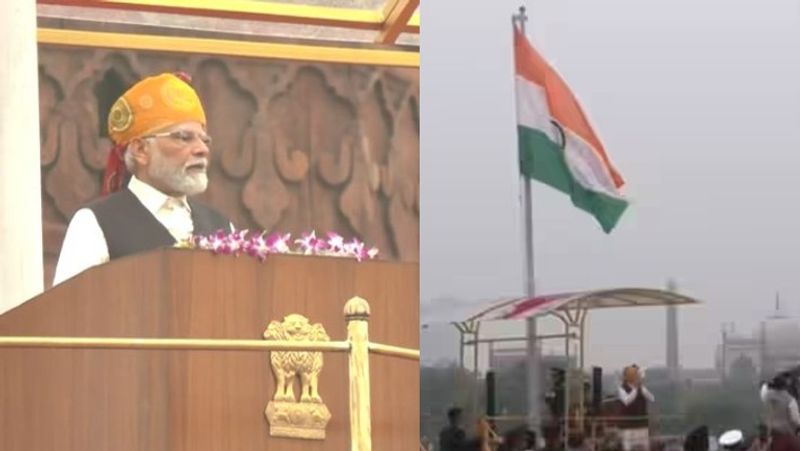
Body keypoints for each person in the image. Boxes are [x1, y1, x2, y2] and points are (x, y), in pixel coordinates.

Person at [53, 72, 232, 285]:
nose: (202, 149)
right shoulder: (96, 223)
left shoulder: (222, 226)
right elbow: (69, 311)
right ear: (141, 150)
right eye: (184, 138)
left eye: (205, 140)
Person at [617, 364, 655, 451]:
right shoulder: (621, 389)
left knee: (644, 447)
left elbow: (652, 398)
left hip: (641, 423)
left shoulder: (641, 388)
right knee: (628, 447)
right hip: (628, 424)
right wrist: (635, 389)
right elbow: (627, 401)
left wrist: (641, 388)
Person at [760, 372, 800, 451]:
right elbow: (795, 420)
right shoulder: (790, 400)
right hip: (785, 432)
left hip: (768, 429)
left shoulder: (766, 395)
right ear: (784, 386)